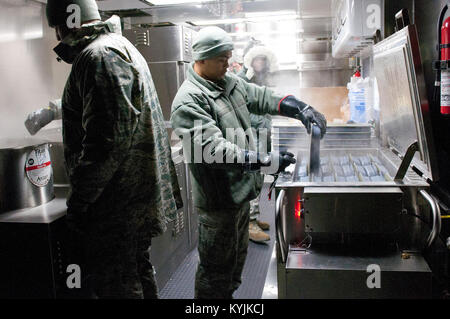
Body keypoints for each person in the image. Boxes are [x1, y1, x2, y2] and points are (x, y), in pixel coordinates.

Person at [170, 26, 326, 299]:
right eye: (222, 59)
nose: (228, 65)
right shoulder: (189, 100)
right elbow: (213, 150)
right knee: (215, 276)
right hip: (219, 207)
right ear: (202, 59)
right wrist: (265, 161)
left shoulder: (228, 82)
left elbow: (261, 97)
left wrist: (299, 107)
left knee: (233, 270)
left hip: (240, 198)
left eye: (229, 58)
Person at [45, 0, 182, 298]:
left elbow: (106, 142)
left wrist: (80, 202)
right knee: (135, 274)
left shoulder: (99, 56)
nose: (57, 38)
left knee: (118, 284)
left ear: (66, 24)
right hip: (129, 200)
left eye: (56, 28)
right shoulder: (113, 48)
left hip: (117, 206)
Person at [238, 44, 279, 243]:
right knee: (251, 177)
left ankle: (254, 217)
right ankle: (249, 223)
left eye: (263, 59)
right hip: (249, 137)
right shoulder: (242, 78)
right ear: (250, 59)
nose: (260, 63)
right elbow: (240, 107)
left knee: (260, 178)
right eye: (257, 59)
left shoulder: (264, 79)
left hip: (262, 135)